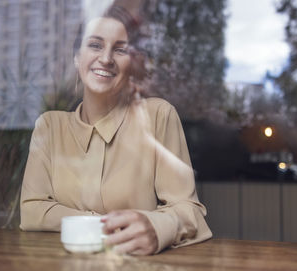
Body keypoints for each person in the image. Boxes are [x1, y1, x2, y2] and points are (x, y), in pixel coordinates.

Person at [20, 5, 212, 255]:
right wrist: (106, 225)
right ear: (77, 57)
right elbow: (32, 212)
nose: (107, 58)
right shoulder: (49, 127)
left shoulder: (157, 116)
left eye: (120, 49)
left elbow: (191, 211)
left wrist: (157, 227)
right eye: (95, 45)